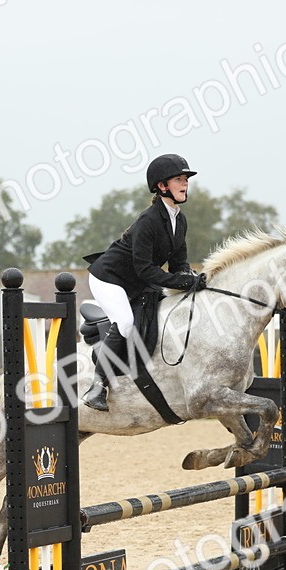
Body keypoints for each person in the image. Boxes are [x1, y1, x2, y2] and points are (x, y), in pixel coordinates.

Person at [81, 153, 206, 412]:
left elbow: (178, 264)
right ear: (162, 186)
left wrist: (191, 278)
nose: (185, 183)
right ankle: (97, 387)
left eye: (186, 179)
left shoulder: (179, 220)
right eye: (179, 179)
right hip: (109, 278)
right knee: (125, 322)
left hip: (137, 281)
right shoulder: (149, 220)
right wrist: (182, 282)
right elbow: (145, 269)